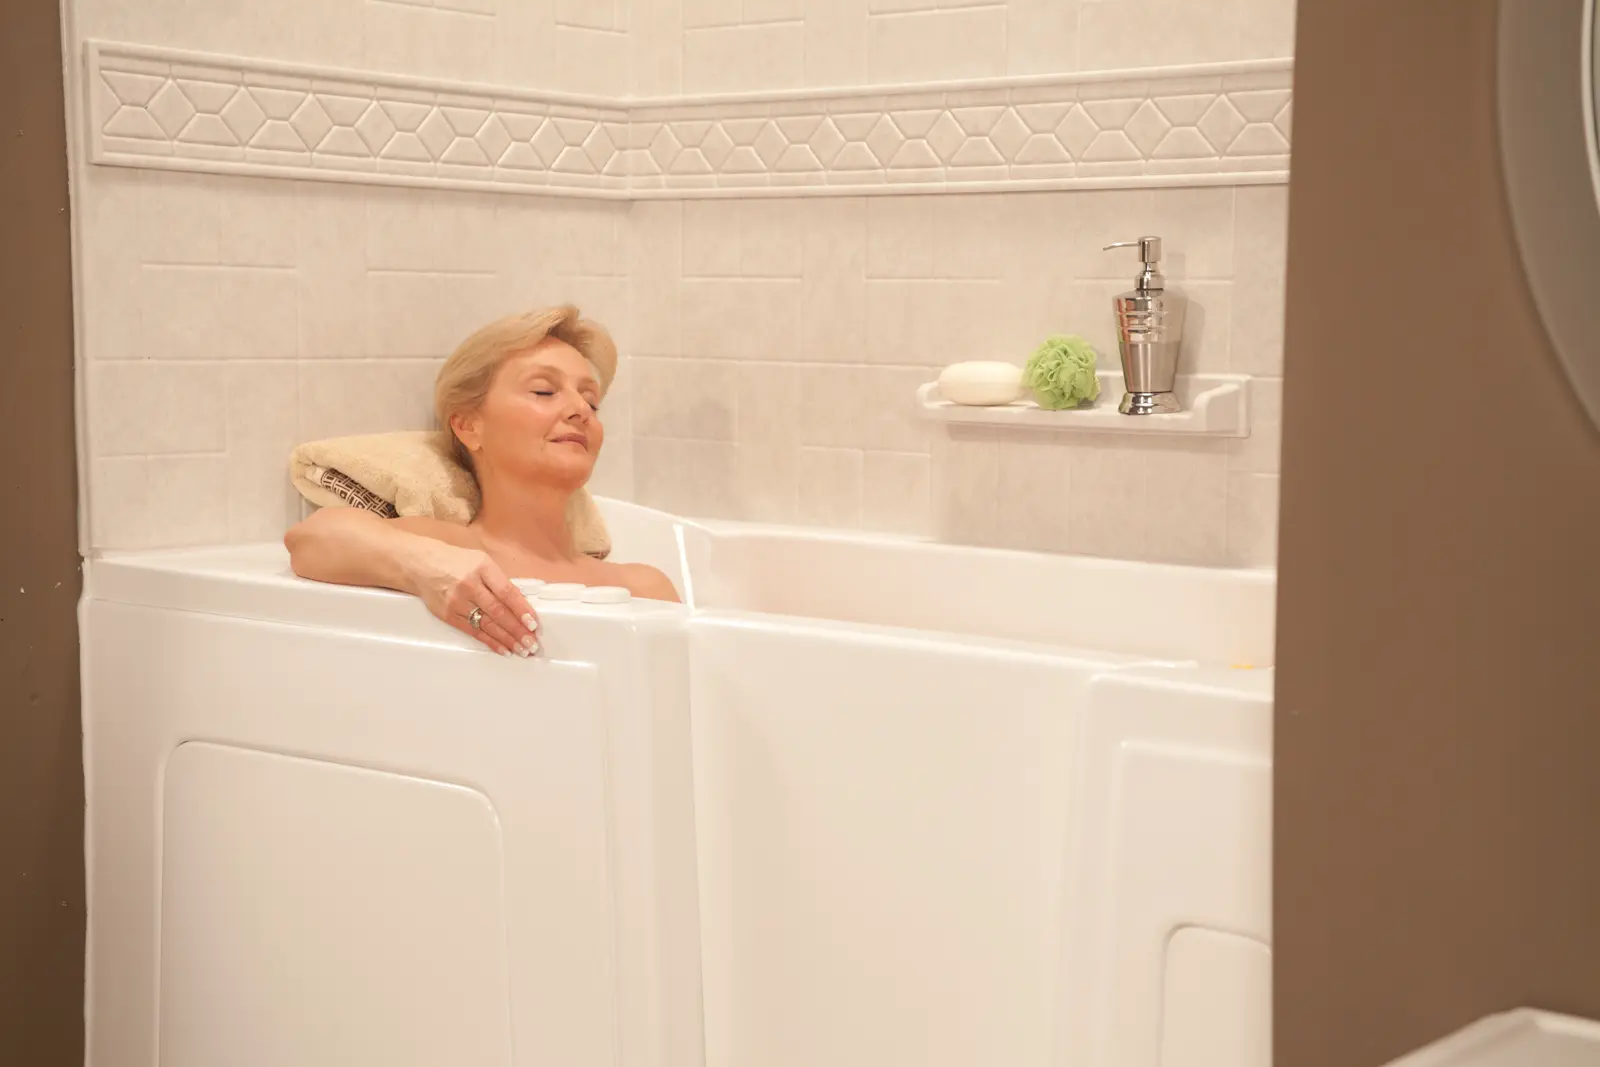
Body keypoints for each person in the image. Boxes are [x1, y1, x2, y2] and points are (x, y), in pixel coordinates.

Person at [285, 306, 680, 658]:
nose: (580, 410)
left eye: (591, 401)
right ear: (468, 426)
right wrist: (429, 569)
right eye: (544, 391)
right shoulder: (445, 548)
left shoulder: (644, 586)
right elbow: (312, 540)